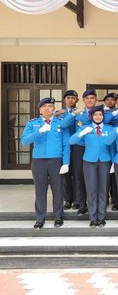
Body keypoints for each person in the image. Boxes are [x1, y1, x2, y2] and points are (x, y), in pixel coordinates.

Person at [20, 97, 70, 229]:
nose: (47, 109)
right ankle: (40, 218)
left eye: (50, 106)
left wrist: (66, 162)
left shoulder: (60, 123)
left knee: (58, 190)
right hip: (39, 161)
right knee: (40, 190)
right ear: (40, 109)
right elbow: (24, 141)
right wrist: (39, 131)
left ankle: (58, 217)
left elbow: (66, 144)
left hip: (56, 160)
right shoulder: (33, 123)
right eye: (44, 106)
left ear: (54, 108)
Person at [60, 89, 106, 216]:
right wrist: (73, 114)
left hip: (96, 148)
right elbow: (63, 125)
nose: (90, 100)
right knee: (79, 176)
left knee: (97, 178)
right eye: (87, 98)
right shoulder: (79, 113)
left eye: (92, 98)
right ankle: (82, 204)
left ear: (96, 100)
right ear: (83, 100)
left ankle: (98, 203)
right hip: (80, 147)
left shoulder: (101, 113)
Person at [69, 105, 116, 228]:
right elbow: (71, 141)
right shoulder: (85, 128)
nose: (98, 117)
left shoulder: (109, 129)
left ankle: (101, 216)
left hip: (105, 161)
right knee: (91, 189)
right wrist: (81, 134)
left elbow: (111, 147)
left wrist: (113, 162)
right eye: (95, 115)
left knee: (103, 189)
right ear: (91, 116)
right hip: (89, 161)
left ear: (103, 117)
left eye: (100, 115)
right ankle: (93, 217)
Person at [56, 90, 79, 210]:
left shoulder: (80, 113)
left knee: (77, 174)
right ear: (64, 100)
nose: (71, 100)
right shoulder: (58, 114)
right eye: (68, 98)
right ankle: (67, 199)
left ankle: (76, 199)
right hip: (64, 147)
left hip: (77, 147)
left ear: (77, 100)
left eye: (73, 98)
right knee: (65, 173)